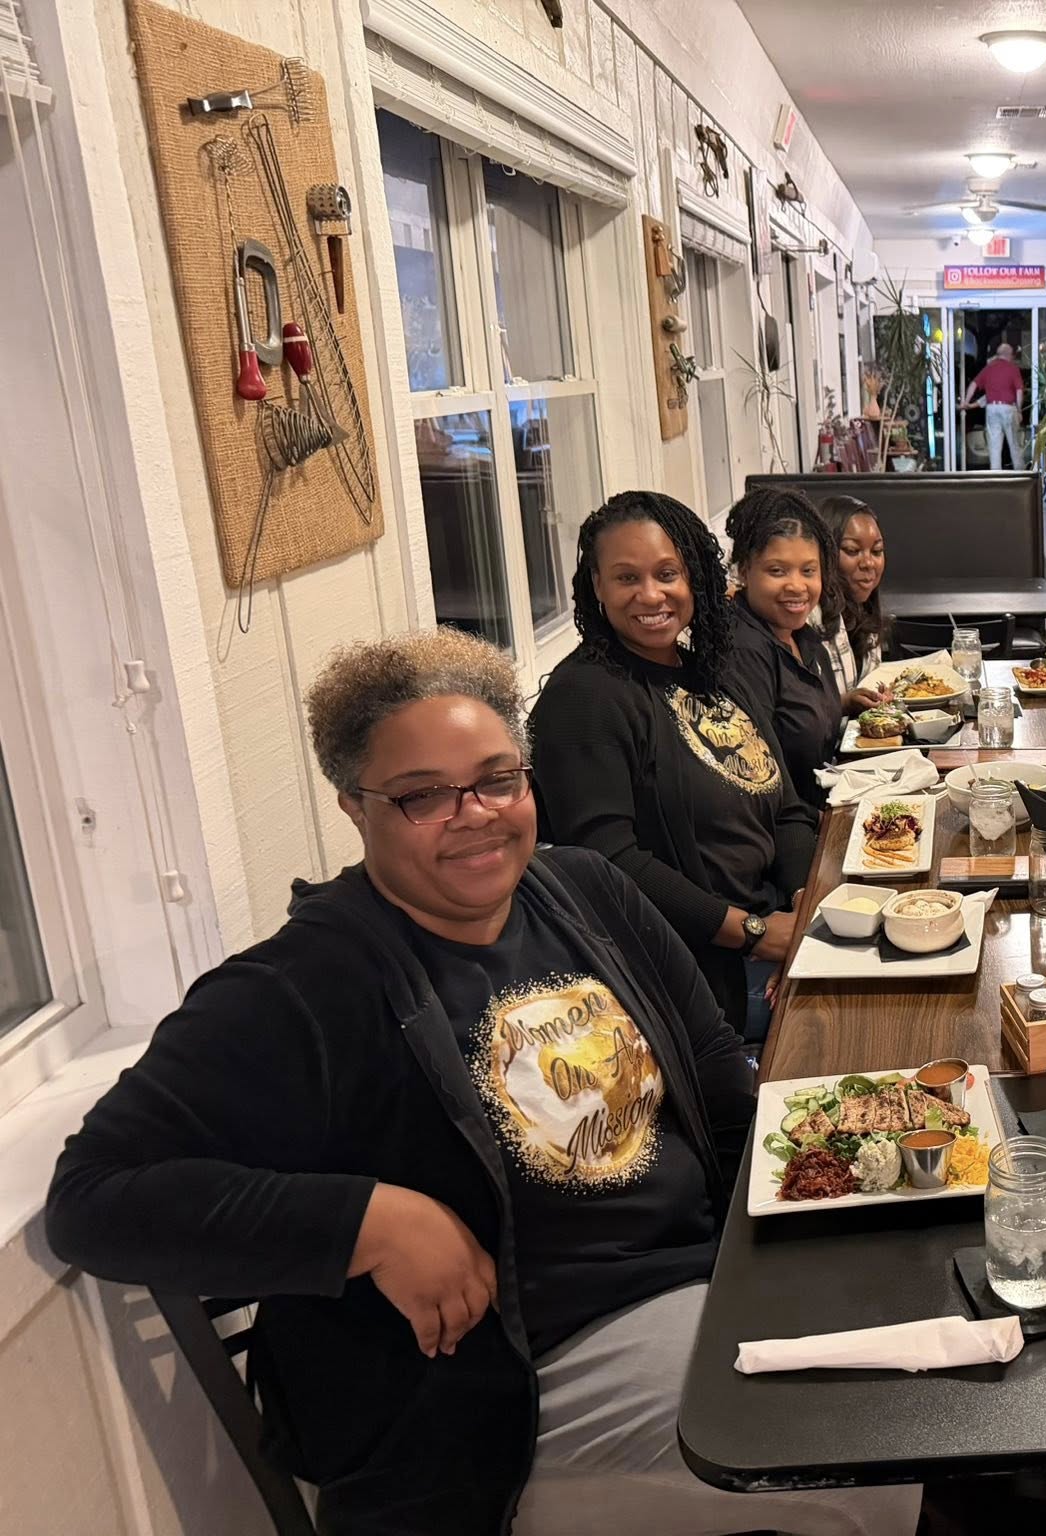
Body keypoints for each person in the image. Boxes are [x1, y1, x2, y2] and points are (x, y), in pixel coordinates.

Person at [42, 629, 919, 1536]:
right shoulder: (301, 985)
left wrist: (795, 1241)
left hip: (709, 1281)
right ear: (354, 807)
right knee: (870, 1444)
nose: (475, 815)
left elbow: (716, 1081)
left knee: (931, 1316)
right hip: (513, 1384)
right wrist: (370, 1223)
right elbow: (92, 1196)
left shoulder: (585, 891)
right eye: (423, 795)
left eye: (499, 780)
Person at [528, 491, 815, 1044]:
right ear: (597, 586)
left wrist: (803, 910)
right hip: (699, 976)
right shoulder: (585, 697)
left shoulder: (712, 672)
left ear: (695, 579)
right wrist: (756, 934)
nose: (650, 595)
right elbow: (609, 863)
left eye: (667, 574)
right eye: (626, 578)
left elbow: (787, 809)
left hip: (777, 932)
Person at [724, 486, 843, 812]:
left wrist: (846, 703)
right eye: (777, 571)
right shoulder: (743, 651)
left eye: (808, 571)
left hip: (828, 805)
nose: (797, 585)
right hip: (792, 828)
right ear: (744, 571)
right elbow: (759, 782)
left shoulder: (802, 636)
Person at [816, 492, 891, 707]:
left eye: (876, 551)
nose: (868, 563)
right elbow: (798, 713)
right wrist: (844, 704)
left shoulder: (864, 610)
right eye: (852, 550)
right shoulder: (808, 616)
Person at [964, 341, 1027, 470]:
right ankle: (1020, 474)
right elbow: (1019, 391)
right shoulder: (1013, 368)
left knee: (994, 447)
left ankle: (996, 475)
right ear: (1009, 355)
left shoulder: (989, 368)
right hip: (1008, 409)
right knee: (1014, 444)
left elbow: (973, 385)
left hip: (992, 409)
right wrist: (1019, 410)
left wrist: (966, 402)